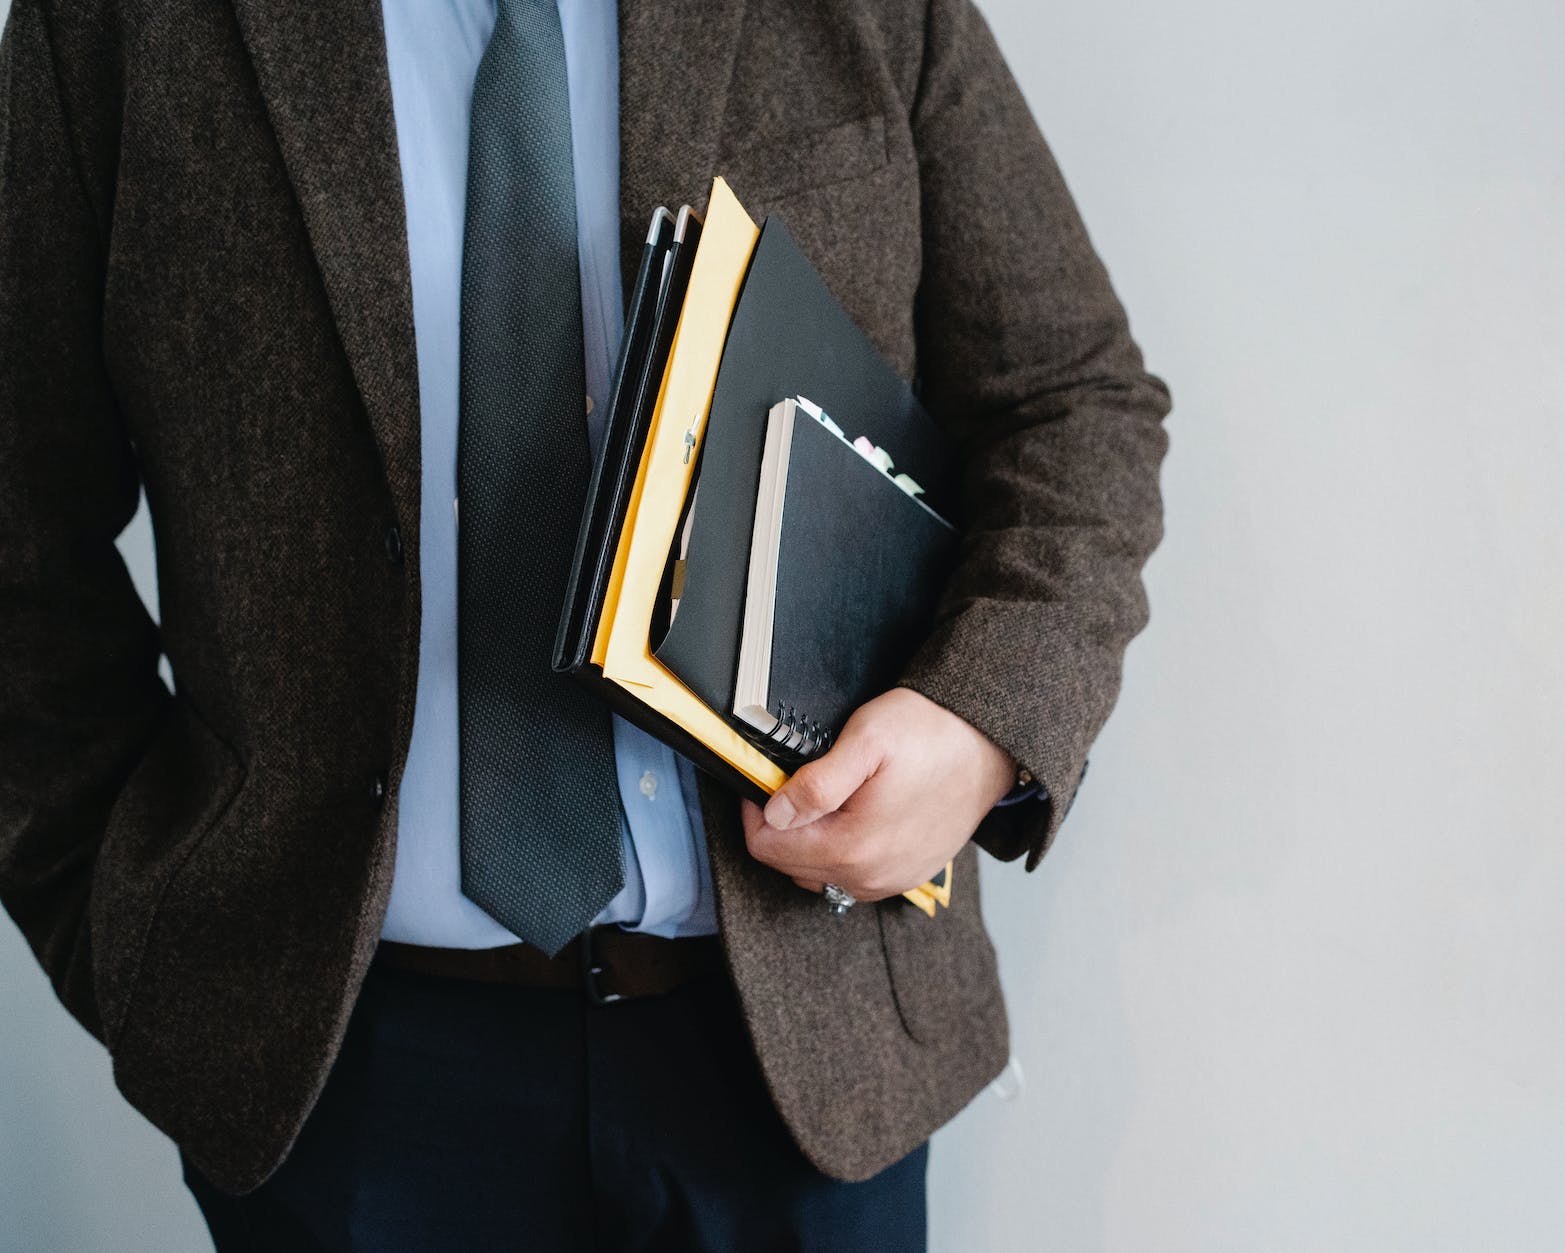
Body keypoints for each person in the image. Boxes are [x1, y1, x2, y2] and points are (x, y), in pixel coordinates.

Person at [0, 0, 1169, 1246]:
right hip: (340, 1080)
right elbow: (22, 517)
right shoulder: (116, 25)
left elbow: (1069, 400)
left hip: (804, 1048)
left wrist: (985, 720)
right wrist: (137, 942)